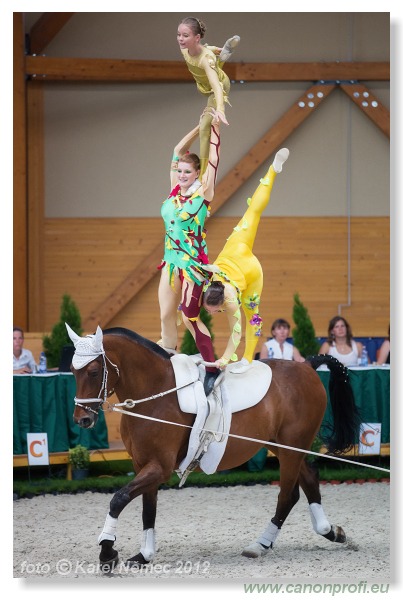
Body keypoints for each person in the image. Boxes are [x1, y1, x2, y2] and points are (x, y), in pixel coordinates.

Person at [202, 148, 290, 374]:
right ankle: (271, 171)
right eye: (210, 311)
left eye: (214, 310)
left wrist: (224, 358)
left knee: (253, 316)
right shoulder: (206, 279)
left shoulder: (230, 302)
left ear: (222, 300)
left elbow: (236, 332)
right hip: (241, 257)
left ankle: (273, 170)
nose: (211, 313)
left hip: (246, 264)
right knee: (252, 213)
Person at [158, 108, 221, 395]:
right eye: (179, 170)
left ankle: (211, 366)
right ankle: (167, 354)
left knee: (188, 317)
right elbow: (175, 150)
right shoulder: (174, 191)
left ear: (197, 173)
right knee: (165, 316)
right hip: (170, 264)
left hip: (192, 266)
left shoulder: (203, 194)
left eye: (187, 171)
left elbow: (215, 161)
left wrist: (215, 128)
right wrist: (199, 127)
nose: (181, 175)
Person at [177, 16, 240, 174]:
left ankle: (203, 175)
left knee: (205, 126)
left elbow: (217, 87)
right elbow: (201, 50)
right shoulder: (185, 48)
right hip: (203, 85)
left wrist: (220, 110)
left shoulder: (205, 59)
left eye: (185, 35)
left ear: (197, 37)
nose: (180, 39)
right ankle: (222, 54)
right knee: (210, 62)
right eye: (178, 34)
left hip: (217, 87)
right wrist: (212, 48)